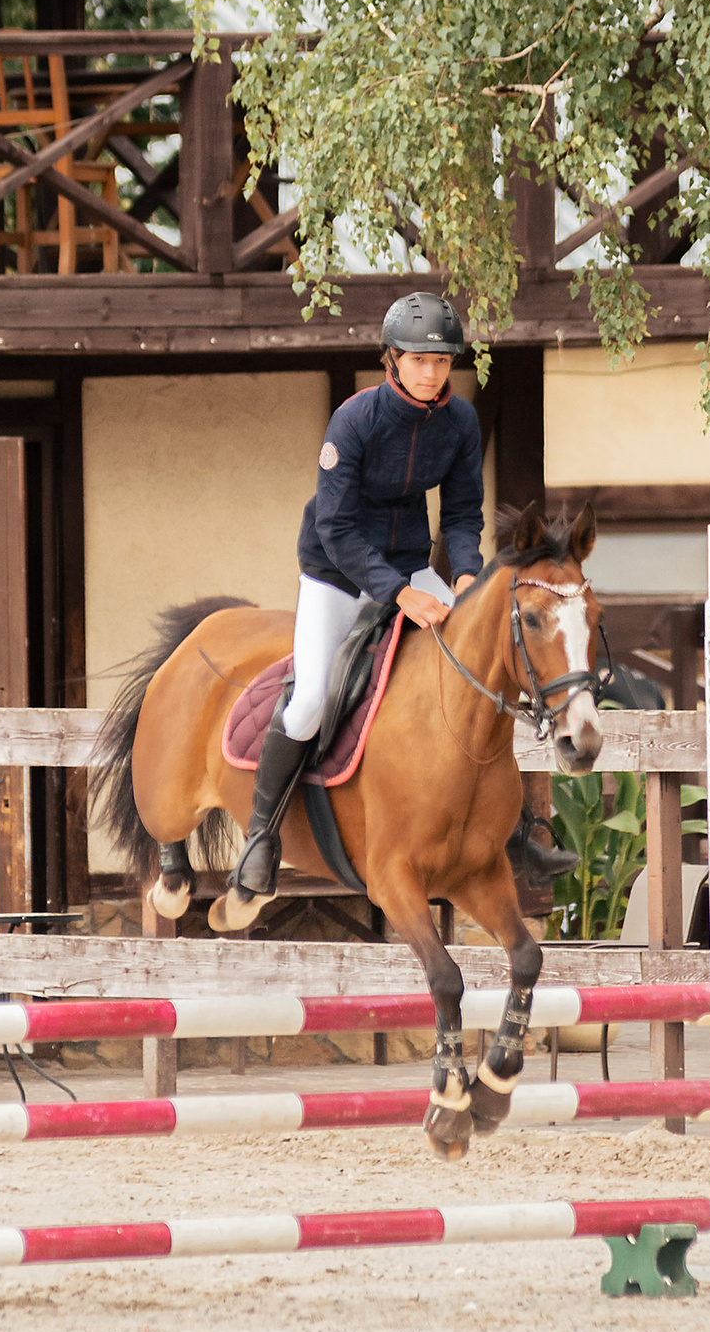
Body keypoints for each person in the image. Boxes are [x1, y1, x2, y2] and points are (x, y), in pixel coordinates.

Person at [227, 293, 570, 912]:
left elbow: (463, 512)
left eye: (442, 361)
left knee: (478, 673)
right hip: (336, 572)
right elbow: (335, 528)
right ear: (392, 360)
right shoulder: (353, 422)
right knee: (309, 700)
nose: (432, 372)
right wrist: (400, 593)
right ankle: (261, 835)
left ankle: (517, 834)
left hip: (413, 564)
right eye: (419, 359)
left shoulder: (460, 422)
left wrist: (464, 578)